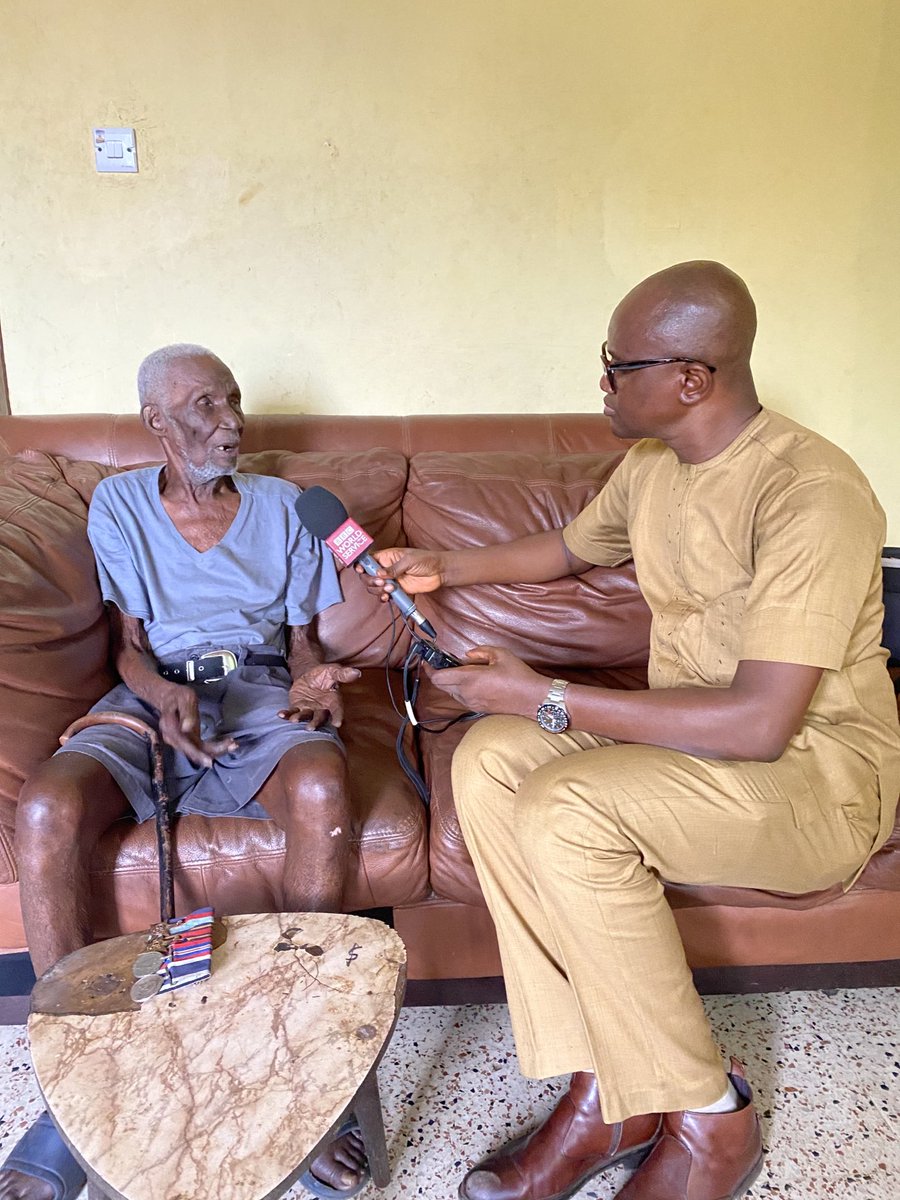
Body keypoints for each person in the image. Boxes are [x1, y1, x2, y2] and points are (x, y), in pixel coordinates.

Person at [361, 262, 900, 1200]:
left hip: (815, 779)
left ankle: (710, 1120)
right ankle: (612, 1088)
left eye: (618, 366)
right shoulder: (655, 465)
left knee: (567, 804)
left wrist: (548, 697)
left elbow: (762, 722)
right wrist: (439, 563)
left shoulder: (812, 491)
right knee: (487, 761)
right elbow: (571, 549)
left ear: (692, 379)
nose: (601, 382)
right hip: (693, 749)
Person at [0, 345, 369, 1200]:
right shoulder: (120, 503)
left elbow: (305, 642)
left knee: (320, 784)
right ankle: (73, 1089)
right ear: (156, 422)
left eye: (234, 401)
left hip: (258, 689)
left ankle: (308, 1075)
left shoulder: (285, 507)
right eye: (205, 405)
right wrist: (163, 695)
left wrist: (314, 681)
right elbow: (129, 648)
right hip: (150, 692)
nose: (231, 421)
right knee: (49, 807)